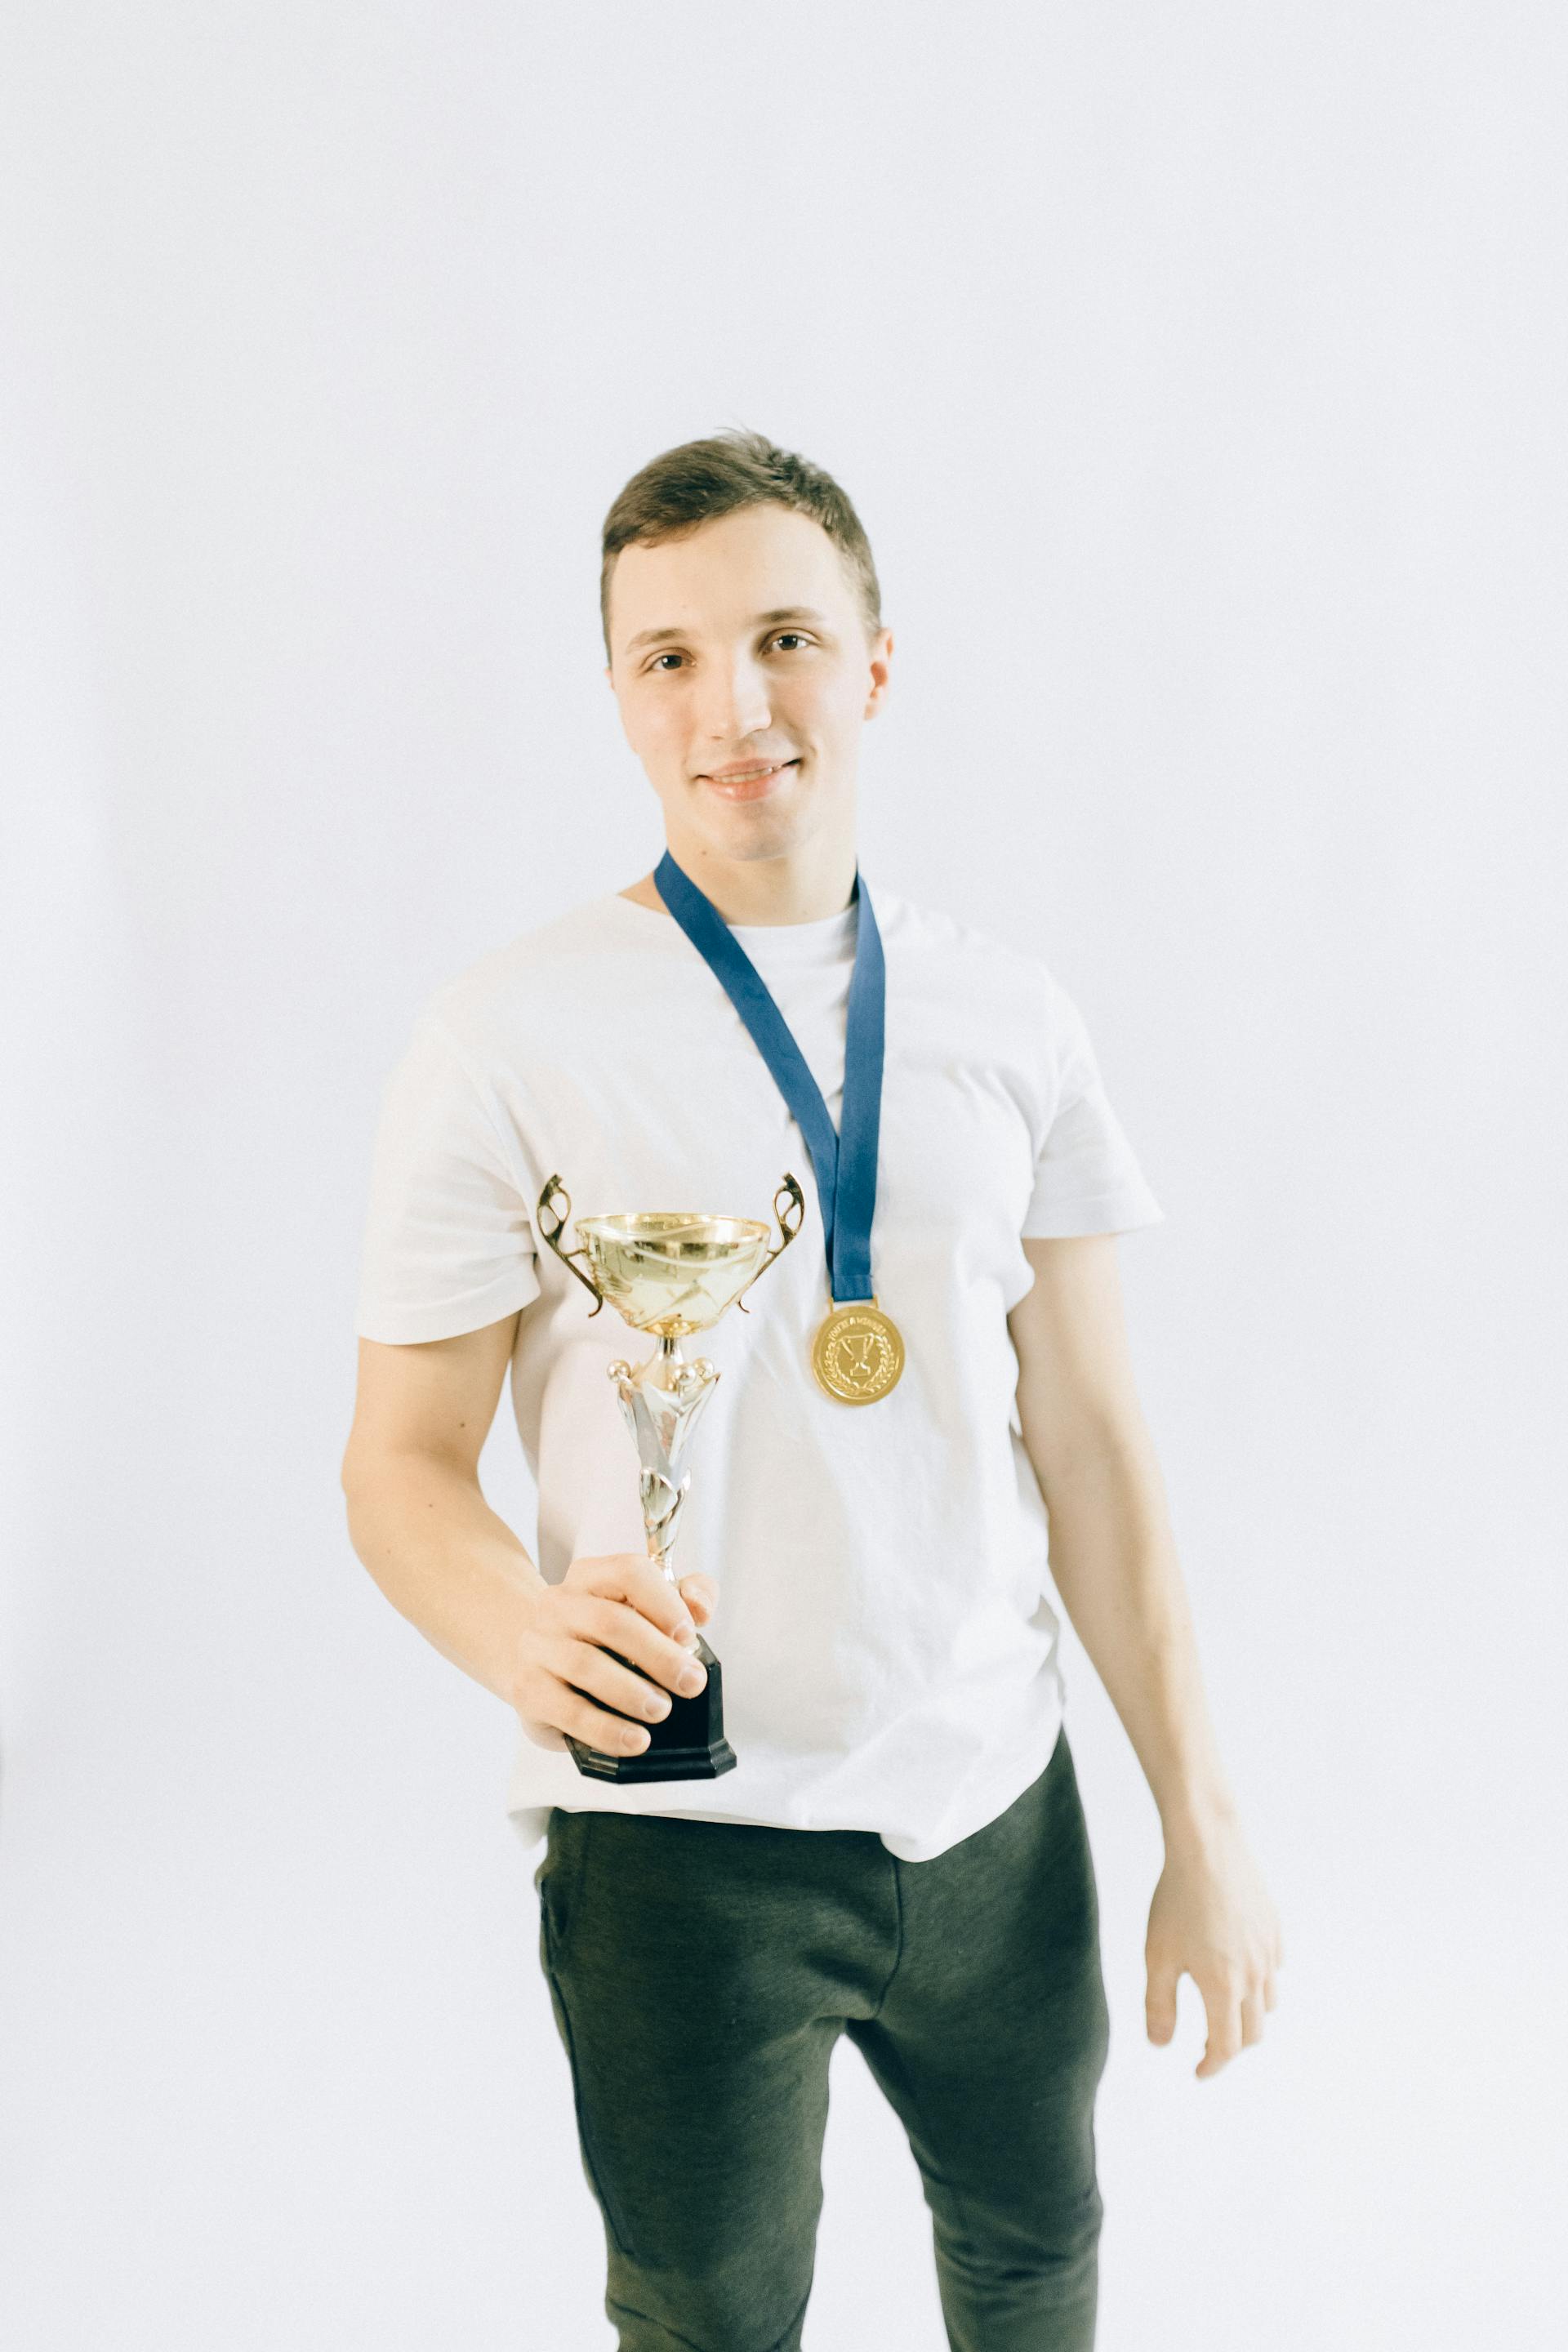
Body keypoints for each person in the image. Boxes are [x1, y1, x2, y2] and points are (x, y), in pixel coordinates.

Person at [341, 427, 1284, 2352]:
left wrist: (1204, 1821)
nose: (734, 707)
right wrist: (522, 1630)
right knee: (710, 2325)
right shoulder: (504, 1035)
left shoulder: (1011, 1017)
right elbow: (399, 1462)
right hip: (680, 1852)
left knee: (1035, 2262)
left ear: (874, 664)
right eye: (670, 657)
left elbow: (1096, 1447)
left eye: (784, 638)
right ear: (620, 694)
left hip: (993, 1812)